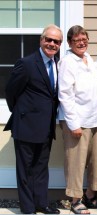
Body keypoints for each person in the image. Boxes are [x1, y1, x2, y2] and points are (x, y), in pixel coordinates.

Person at [4, 24, 62, 214]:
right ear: (41, 40)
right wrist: (22, 114)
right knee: (26, 169)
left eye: (57, 41)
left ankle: (42, 203)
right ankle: (28, 208)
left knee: (41, 168)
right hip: (26, 126)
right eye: (49, 39)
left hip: (46, 127)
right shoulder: (27, 63)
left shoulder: (57, 63)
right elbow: (11, 91)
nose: (52, 44)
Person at [57, 25, 97, 214]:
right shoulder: (67, 62)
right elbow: (64, 95)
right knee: (76, 162)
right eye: (77, 40)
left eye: (84, 39)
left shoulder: (87, 58)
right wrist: (73, 124)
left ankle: (89, 195)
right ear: (70, 43)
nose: (81, 43)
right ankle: (75, 200)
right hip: (78, 121)